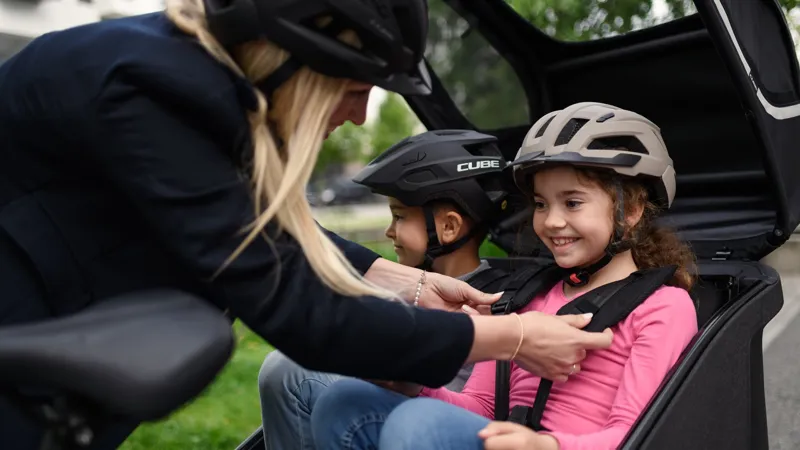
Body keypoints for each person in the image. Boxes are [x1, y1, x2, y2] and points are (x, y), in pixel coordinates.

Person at [0, 1, 614, 448]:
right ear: (297, 59)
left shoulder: (185, 75)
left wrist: (404, 280)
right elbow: (302, 315)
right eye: (354, 88)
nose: (356, 115)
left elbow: (249, 229)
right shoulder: (156, 92)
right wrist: (513, 339)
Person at [309, 102, 699, 450]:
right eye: (542, 204)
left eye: (573, 202)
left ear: (629, 210)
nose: (552, 221)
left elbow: (638, 434)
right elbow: (480, 406)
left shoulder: (663, 306)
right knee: (344, 401)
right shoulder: (527, 297)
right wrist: (415, 384)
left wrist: (546, 445)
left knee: (418, 423)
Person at [257, 129, 516, 449]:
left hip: (428, 423)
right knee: (284, 369)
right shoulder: (410, 286)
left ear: (448, 227)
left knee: (290, 373)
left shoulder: (489, 302)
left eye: (399, 217)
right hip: (386, 412)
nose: (388, 231)